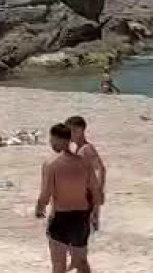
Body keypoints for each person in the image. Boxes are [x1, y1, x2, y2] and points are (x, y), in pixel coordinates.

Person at [36, 123, 101, 273]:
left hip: (61, 218)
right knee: (82, 263)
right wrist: (95, 215)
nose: (50, 143)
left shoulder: (51, 164)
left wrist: (39, 209)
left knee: (58, 266)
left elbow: (46, 193)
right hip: (81, 218)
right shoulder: (85, 163)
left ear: (59, 139)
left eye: (52, 139)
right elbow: (95, 191)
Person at [65, 116, 106, 232]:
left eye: (73, 131)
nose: (70, 134)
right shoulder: (79, 149)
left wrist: (98, 192)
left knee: (88, 230)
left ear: (81, 130)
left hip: (89, 196)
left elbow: (101, 169)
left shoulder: (86, 149)